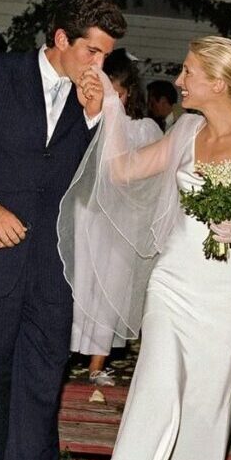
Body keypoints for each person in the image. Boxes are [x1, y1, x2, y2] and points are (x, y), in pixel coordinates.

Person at [59, 36, 231, 460]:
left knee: (205, 409)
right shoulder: (185, 130)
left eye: (189, 72)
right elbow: (122, 171)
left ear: (219, 82)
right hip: (171, 282)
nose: (179, 80)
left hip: (226, 294)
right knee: (156, 391)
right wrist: (110, 109)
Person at [0, 0, 126, 460]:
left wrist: (96, 120)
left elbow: (103, 183)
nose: (100, 65)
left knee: (41, 387)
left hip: (54, 267)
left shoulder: (93, 99)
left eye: (106, 56)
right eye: (93, 52)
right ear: (61, 39)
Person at [70, 48, 162, 387]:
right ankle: (66, 351)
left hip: (121, 221)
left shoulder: (145, 129)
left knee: (112, 286)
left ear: (129, 94)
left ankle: (97, 362)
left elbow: (148, 177)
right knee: (79, 281)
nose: (112, 101)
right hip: (87, 213)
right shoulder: (87, 119)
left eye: (118, 95)